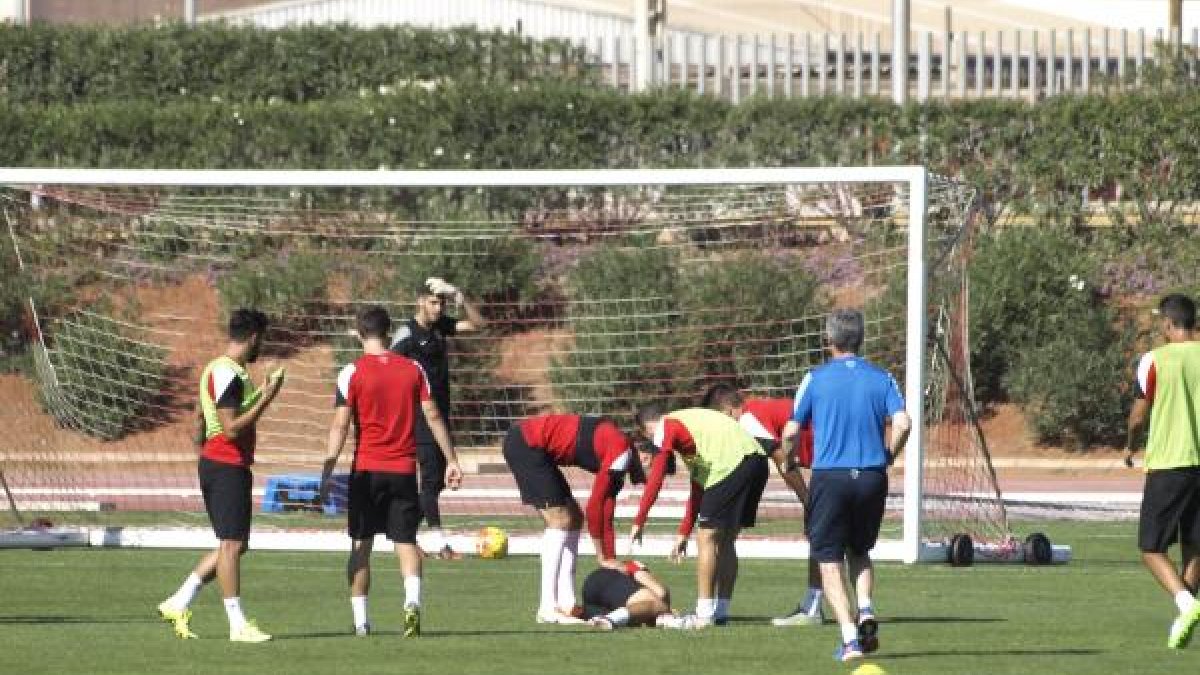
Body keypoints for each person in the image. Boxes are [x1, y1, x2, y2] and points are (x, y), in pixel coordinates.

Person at [320, 306, 463, 638]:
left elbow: (340, 425)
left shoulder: (351, 372)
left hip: (367, 471)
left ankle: (361, 623)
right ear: (388, 333)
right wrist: (451, 459)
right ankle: (411, 605)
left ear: (358, 333)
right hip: (402, 470)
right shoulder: (413, 368)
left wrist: (327, 468)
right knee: (406, 542)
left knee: (361, 545)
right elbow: (434, 415)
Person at [784, 308, 911, 662]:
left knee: (828, 559)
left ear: (829, 341)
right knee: (860, 550)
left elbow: (792, 430)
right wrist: (888, 455)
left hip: (831, 477)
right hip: (871, 476)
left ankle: (850, 639)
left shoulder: (815, 377)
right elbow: (903, 422)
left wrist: (788, 456)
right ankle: (866, 607)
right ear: (862, 338)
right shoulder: (883, 377)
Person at [157, 308, 284, 643]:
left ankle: (178, 601)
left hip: (221, 464)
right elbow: (229, 429)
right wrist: (268, 399)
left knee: (236, 545)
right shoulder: (228, 372)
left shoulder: (220, 370)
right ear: (254, 336)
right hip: (226, 463)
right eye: (263, 339)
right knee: (230, 545)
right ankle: (237, 624)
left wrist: (263, 391)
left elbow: (201, 417)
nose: (262, 347)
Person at [630, 404, 769, 628]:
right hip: (758, 461)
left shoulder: (667, 424)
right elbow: (699, 489)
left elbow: (657, 473)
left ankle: (703, 614)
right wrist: (683, 532)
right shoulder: (696, 435)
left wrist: (639, 519)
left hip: (732, 465)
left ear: (649, 429)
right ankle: (721, 612)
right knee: (725, 540)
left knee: (706, 538)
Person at [701, 383, 825, 626]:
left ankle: (814, 608)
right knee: (831, 536)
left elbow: (781, 458)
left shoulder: (747, 419)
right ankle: (850, 608)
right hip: (837, 456)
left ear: (727, 411)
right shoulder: (757, 411)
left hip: (834, 457)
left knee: (821, 532)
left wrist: (807, 500)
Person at [502, 413, 641, 624]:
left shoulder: (624, 454)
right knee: (560, 520)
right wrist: (603, 557)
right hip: (526, 443)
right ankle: (547, 608)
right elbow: (596, 505)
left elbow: (607, 507)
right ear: (646, 456)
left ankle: (567, 604)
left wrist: (610, 557)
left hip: (536, 448)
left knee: (574, 518)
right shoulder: (620, 450)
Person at [1124, 293, 1200, 650]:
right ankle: (1184, 616)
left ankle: (1187, 604)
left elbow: (1139, 415)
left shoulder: (1154, 360)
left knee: (1151, 548)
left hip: (1170, 463)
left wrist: (1129, 443)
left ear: (1168, 324)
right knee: (1195, 545)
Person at [390, 276, 484, 560]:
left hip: (440, 413)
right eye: (433, 302)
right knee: (431, 479)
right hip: (419, 416)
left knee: (439, 481)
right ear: (419, 302)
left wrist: (460, 294)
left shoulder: (442, 326)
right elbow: (388, 370)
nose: (439, 308)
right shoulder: (405, 335)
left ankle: (403, 535)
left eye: (441, 302)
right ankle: (440, 545)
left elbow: (479, 324)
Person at [583, 560, 682, 630]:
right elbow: (661, 592)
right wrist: (667, 610)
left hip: (592, 597)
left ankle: (607, 619)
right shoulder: (633, 566)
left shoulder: (632, 602)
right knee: (659, 605)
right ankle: (610, 620)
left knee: (634, 619)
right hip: (605, 581)